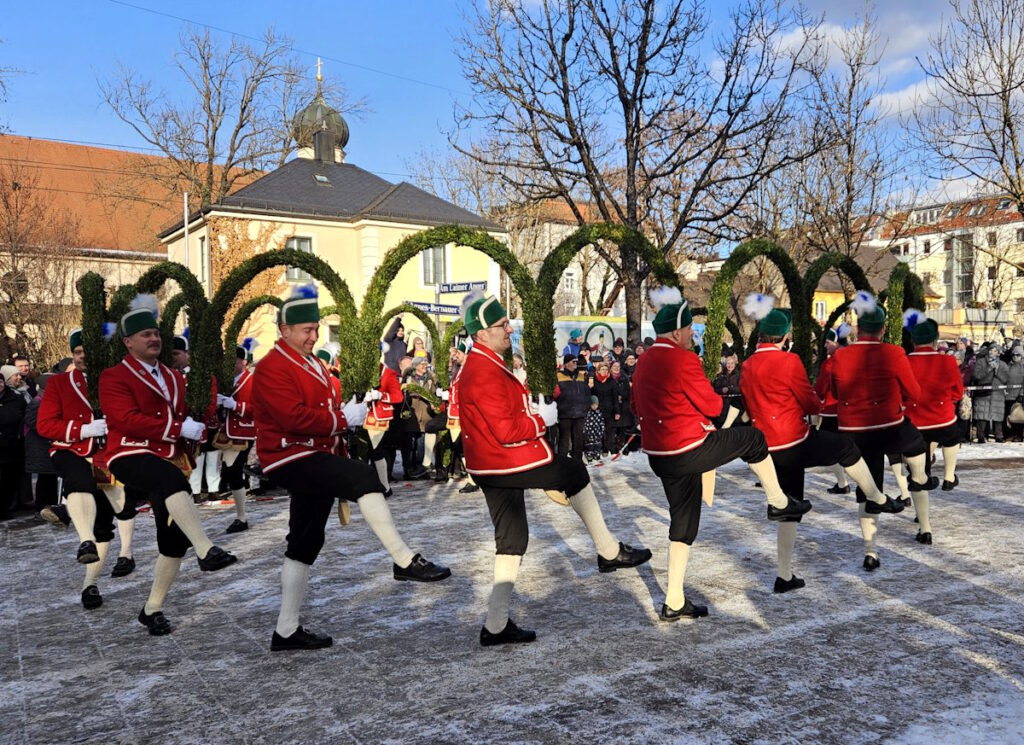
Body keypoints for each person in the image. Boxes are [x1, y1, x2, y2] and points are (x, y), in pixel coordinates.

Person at [252, 285, 450, 652]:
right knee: (364, 479)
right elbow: (292, 417)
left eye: (315, 328)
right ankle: (403, 560)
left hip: (315, 453)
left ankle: (285, 631)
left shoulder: (312, 362)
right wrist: (344, 417)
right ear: (284, 330)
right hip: (289, 455)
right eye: (306, 330)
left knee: (305, 542)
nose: (313, 335)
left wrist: (347, 412)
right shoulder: (271, 367)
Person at [458, 292, 651, 647]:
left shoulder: (486, 362)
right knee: (573, 472)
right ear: (481, 333)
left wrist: (526, 402)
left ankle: (496, 626)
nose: (508, 331)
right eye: (501, 325)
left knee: (513, 538)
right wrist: (540, 419)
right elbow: (506, 431)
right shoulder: (483, 369)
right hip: (503, 460)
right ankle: (608, 552)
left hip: (490, 464)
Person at [631, 287, 810, 621]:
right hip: (687, 449)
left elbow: (637, 406)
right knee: (754, 440)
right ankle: (778, 502)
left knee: (683, 523)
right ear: (675, 332)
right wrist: (725, 418)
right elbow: (712, 406)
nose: (690, 335)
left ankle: (673, 600)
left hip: (659, 454)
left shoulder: (644, 361)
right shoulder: (682, 358)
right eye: (687, 330)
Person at [740, 295, 901, 592]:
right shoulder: (789, 361)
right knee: (846, 448)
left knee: (789, 507)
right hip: (794, 441)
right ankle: (876, 495)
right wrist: (816, 403)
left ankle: (784, 575)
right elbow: (809, 403)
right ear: (785, 336)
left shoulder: (748, 364)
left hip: (766, 448)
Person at [100, 295, 237, 636]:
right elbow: (127, 420)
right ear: (128, 341)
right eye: (145, 334)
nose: (154, 339)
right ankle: (206, 551)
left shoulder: (174, 377)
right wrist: (178, 428)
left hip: (168, 455)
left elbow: (182, 416)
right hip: (129, 453)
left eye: (156, 333)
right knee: (171, 479)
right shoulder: (114, 377)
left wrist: (200, 424)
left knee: (172, 541)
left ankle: (152, 609)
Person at [817, 292, 933, 571]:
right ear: (883, 329)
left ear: (857, 329)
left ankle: (871, 551)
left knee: (868, 489)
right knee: (917, 445)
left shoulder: (840, 356)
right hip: (889, 425)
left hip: (855, 430)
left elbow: (832, 391)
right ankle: (920, 483)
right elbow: (914, 393)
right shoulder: (893, 352)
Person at [36, 327, 125, 609]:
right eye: (77, 352)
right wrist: (83, 429)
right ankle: (83, 539)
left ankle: (90, 585)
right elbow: (45, 425)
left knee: (105, 524)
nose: (82, 357)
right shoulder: (60, 384)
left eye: (86, 351)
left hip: (105, 455)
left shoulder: (114, 379)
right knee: (79, 480)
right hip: (69, 449)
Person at [904, 312, 966, 543]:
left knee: (918, 475)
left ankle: (925, 528)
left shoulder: (905, 361)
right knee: (952, 437)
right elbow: (958, 393)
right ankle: (949, 476)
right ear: (935, 340)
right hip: (941, 418)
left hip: (914, 423)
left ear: (913, 340)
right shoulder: (947, 360)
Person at [217, 338, 258, 533]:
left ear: (244, 362)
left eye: (235, 360)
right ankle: (240, 516)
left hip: (244, 430)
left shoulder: (252, 381)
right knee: (230, 472)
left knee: (234, 472)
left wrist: (235, 405)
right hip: (227, 431)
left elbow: (258, 408)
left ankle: (241, 517)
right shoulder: (226, 380)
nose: (231, 364)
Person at [0, 366, 28, 518]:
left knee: (8, 479)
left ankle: (5, 508)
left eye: (1, 382)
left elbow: (25, 417)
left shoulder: (16, 398)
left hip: (11, 446)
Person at [554, 355, 589, 460]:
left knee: (578, 439)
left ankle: (577, 461)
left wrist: (585, 407)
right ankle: (562, 462)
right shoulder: (558, 376)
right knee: (564, 439)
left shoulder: (581, 376)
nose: (575, 364)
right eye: (573, 362)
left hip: (579, 413)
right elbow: (555, 394)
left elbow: (587, 393)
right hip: (564, 413)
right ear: (567, 363)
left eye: (576, 362)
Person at [972, 343, 1008, 443]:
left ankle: (999, 435)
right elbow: (977, 376)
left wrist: (997, 371)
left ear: (999, 353)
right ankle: (981, 436)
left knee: (998, 414)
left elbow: (1005, 380)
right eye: (991, 350)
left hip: (998, 393)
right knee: (982, 414)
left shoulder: (1003, 365)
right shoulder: (981, 362)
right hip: (983, 392)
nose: (993, 352)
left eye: (996, 351)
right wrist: (989, 368)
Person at [591, 359, 619, 455]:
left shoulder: (612, 382)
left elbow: (615, 398)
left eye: (606, 369)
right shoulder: (594, 381)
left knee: (609, 431)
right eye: (602, 369)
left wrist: (617, 412)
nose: (604, 371)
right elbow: (591, 395)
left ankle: (608, 448)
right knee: (598, 430)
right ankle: (600, 448)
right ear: (598, 370)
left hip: (609, 410)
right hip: (597, 410)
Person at [583, 396, 604, 463]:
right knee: (590, 445)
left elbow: (601, 422)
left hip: (597, 432)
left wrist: (602, 430)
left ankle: (597, 456)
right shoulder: (588, 413)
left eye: (596, 405)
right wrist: (585, 431)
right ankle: (589, 457)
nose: (595, 406)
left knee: (598, 445)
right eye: (593, 405)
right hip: (589, 433)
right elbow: (585, 423)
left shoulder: (599, 413)